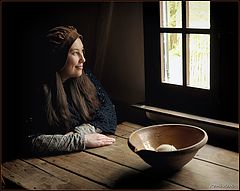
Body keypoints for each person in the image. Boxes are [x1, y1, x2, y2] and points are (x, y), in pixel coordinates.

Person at [26, 25, 117, 156]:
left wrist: (80, 132)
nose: (83, 59)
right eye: (75, 53)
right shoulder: (37, 90)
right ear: (58, 58)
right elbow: (30, 141)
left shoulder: (85, 76)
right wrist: (79, 140)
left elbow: (109, 111)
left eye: (82, 51)